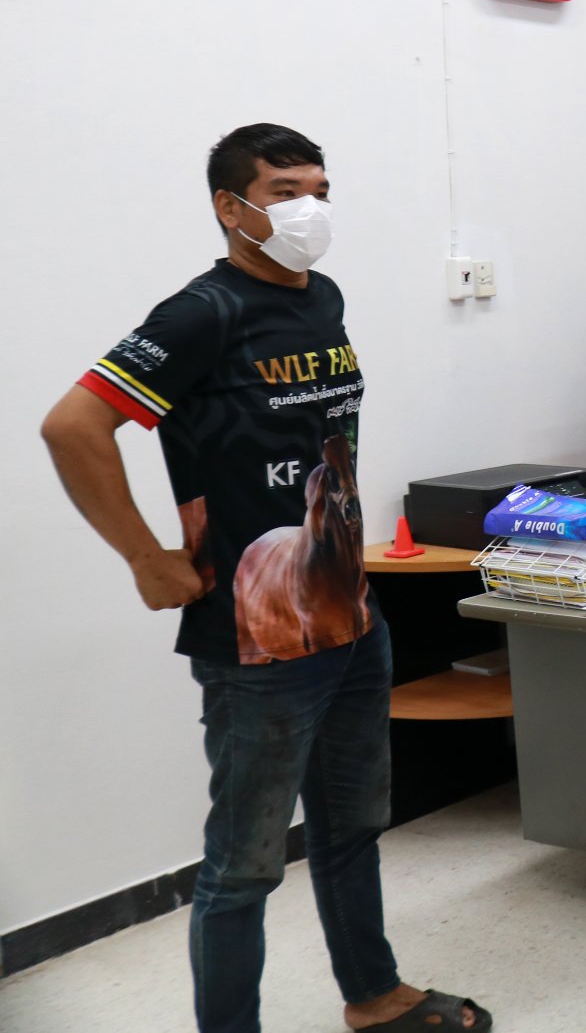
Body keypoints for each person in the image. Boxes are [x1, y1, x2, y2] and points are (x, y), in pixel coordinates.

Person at [39, 125, 488, 1033]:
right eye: (284, 191)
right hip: (257, 642)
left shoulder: (323, 298)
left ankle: (374, 994)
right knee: (243, 866)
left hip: (351, 615)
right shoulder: (200, 314)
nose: (307, 207)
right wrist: (146, 557)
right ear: (230, 206)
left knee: (352, 826)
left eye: (319, 188)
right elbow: (72, 425)